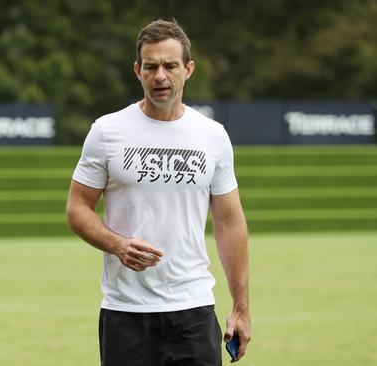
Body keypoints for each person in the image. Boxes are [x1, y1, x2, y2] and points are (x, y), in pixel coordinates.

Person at [66, 19, 250, 365]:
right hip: (126, 313)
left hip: (193, 309)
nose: (160, 76)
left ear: (188, 69)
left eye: (170, 66)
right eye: (150, 66)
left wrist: (241, 307)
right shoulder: (107, 132)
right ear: (138, 70)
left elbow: (230, 223)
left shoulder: (212, 136)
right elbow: (77, 208)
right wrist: (117, 245)